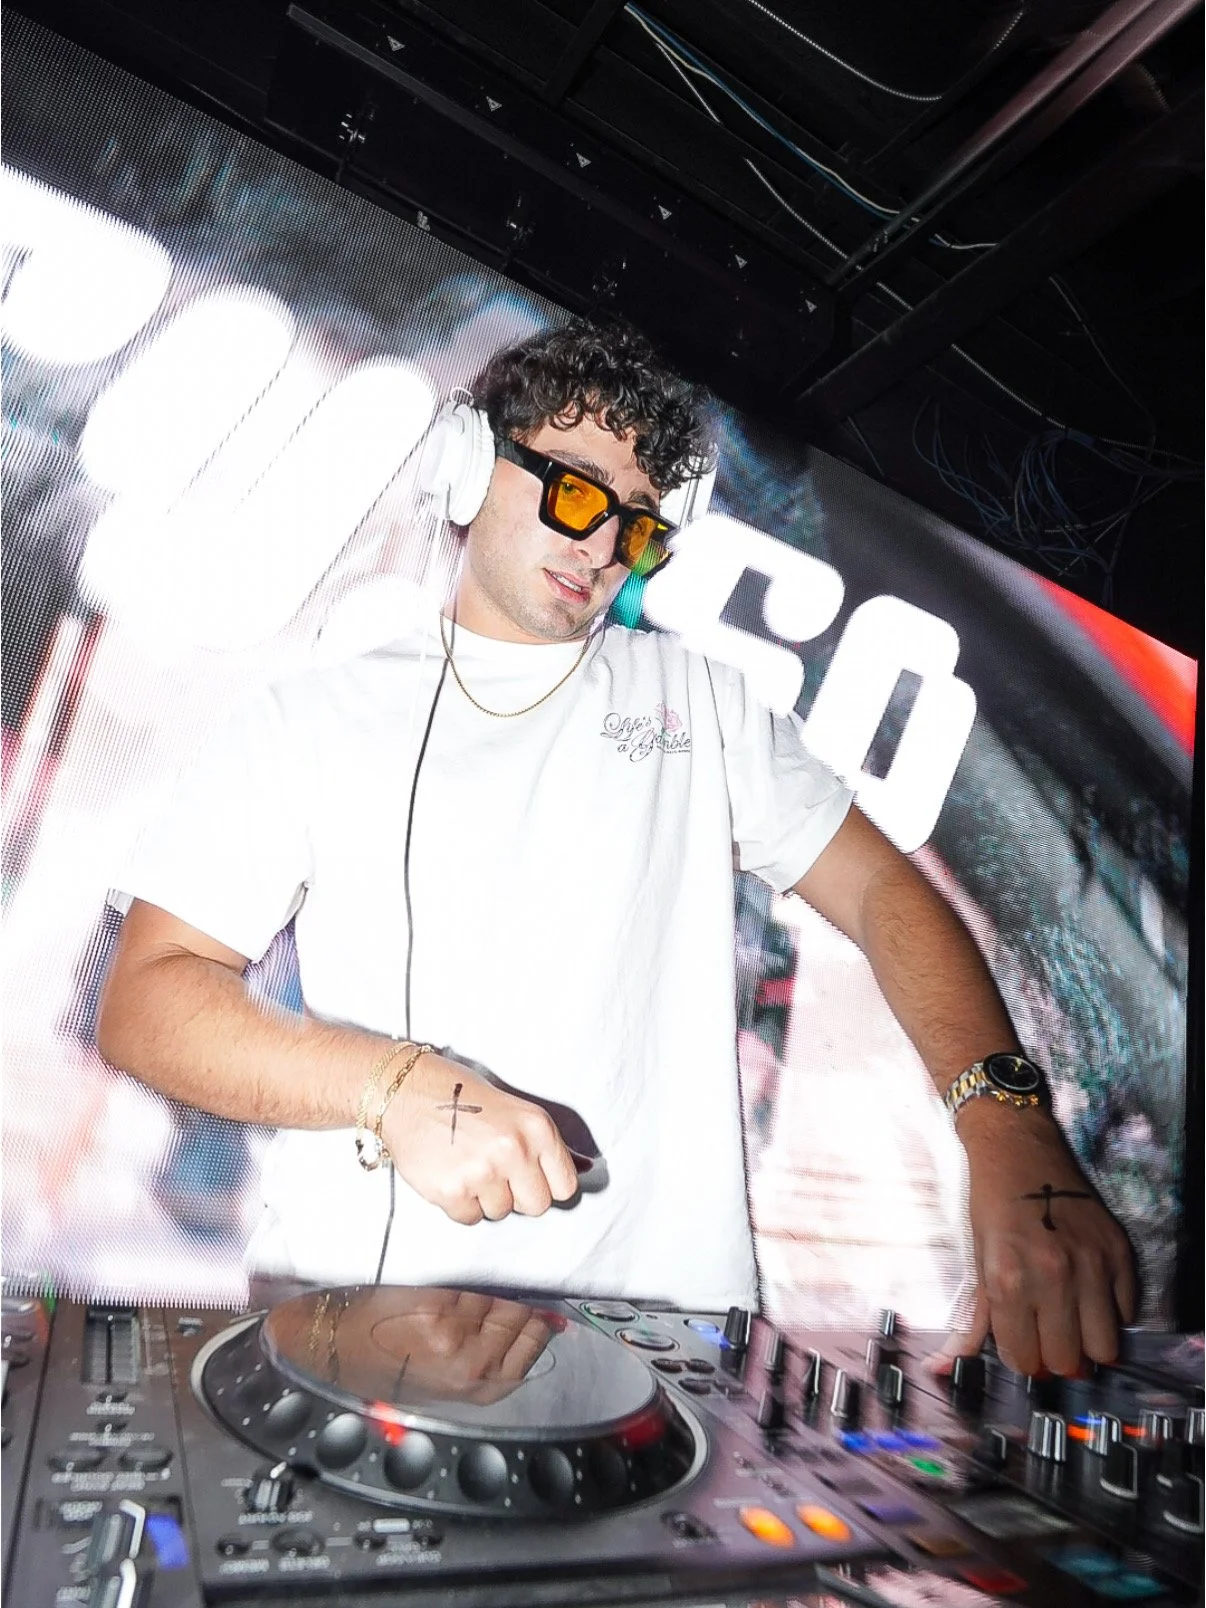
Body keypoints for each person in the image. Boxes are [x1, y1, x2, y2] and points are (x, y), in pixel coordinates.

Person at [98, 318, 1135, 1378]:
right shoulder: (309, 719)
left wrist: (1009, 1128)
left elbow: (881, 893)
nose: (601, 545)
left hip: (668, 1360)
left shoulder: (698, 704)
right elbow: (148, 1000)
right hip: (369, 1338)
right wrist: (394, 1086)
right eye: (577, 492)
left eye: (637, 525)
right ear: (468, 465)